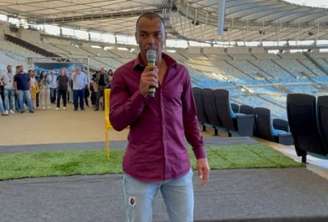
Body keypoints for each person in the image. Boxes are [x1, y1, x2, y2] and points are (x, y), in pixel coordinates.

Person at [110, 12, 209, 222]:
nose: (151, 41)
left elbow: (190, 116)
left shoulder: (180, 73)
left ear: (165, 38)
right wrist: (141, 94)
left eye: (156, 35)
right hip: (140, 171)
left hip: (178, 169)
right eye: (144, 35)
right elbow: (117, 121)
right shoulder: (122, 75)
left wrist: (200, 154)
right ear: (136, 37)